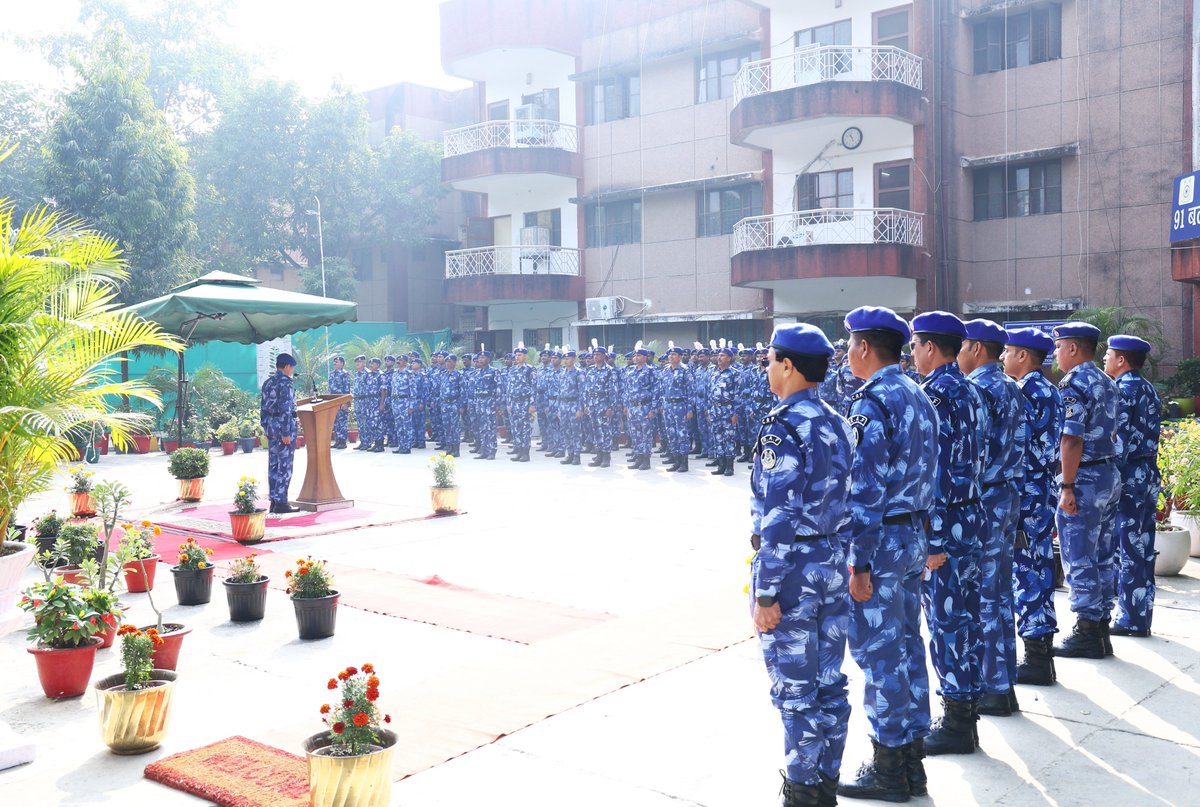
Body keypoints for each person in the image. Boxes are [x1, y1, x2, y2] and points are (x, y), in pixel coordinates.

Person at [749, 322, 854, 807]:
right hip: (833, 562)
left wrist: (766, 592)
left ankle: (803, 791)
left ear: (788, 366)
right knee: (829, 682)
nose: (767, 368)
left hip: (794, 571)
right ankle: (825, 783)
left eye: (771, 360)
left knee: (796, 690)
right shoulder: (835, 418)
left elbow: (779, 517)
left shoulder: (785, 424)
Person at [838, 306, 939, 803]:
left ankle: (889, 767)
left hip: (880, 544)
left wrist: (858, 563)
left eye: (851, 344)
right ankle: (912, 759)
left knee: (880, 656)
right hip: (912, 538)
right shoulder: (919, 395)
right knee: (906, 645)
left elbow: (865, 492)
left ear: (863, 348)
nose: (847, 352)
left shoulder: (871, 403)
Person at [911, 311, 989, 757]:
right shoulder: (970, 389)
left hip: (947, 524)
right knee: (967, 617)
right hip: (971, 516)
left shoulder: (935, 395)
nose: (914, 354)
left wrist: (934, 542)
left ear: (930, 347)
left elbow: (935, 472)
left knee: (946, 622)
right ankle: (966, 714)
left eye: (917, 345)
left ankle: (958, 722)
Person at [960, 319, 1028, 718]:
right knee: (1000, 593)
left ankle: (993, 686)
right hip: (1007, 495)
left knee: (983, 596)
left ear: (977, 348)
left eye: (964, 345)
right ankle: (1004, 682)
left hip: (985, 498)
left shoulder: (980, 389)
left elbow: (974, 454)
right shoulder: (1010, 386)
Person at [1053, 322, 1122, 659]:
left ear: (1074, 349)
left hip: (1084, 479)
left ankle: (1087, 630)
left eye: (1059, 347)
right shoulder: (1107, 381)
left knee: (1078, 554)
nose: (1055, 353)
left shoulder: (1074, 383)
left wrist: (1067, 485)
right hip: (1108, 474)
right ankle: (1101, 627)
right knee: (1104, 555)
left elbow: (1071, 438)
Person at [1003, 327, 1063, 686]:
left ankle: (1037, 657)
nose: (1004, 357)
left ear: (1023, 356)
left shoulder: (1025, 392)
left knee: (1028, 569)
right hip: (1040, 489)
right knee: (1036, 564)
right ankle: (1040, 653)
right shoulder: (1050, 390)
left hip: (1026, 493)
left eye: (1008, 351)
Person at [1105, 335, 1161, 639]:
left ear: (1121, 360)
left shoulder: (1123, 390)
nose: (1105, 360)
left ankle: (1129, 618)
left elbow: (1120, 442)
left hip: (1129, 475)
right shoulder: (1148, 389)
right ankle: (1141, 615)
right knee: (1142, 547)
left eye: (1109, 355)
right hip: (1148, 472)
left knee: (1127, 547)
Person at [260, 352, 298, 514]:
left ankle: (274, 501)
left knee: (273, 465)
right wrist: (286, 432)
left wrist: (267, 427)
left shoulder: (268, 383)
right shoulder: (285, 383)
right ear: (287, 366)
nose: (292, 371)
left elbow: (263, 408)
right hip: (283, 430)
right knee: (284, 466)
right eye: (292, 367)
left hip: (271, 428)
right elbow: (285, 409)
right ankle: (282, 503)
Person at [660, 345, 694, 472]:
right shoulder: (665, 370)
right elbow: (662, 390)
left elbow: (691, 391)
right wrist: (662, 405)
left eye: (674, 354)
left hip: (681, 406)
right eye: (669, 354)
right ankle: (676, 460)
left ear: (679, 357)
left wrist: (690, 409)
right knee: (671, 434)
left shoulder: (685, 370)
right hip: (668, 406)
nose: (671, 357)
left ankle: (684, 463)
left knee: (682, 435)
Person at [707, 346, 738, 476]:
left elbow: (738, 395)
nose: (719, 358)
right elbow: (710, 393)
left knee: (729, 438)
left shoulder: (735, 374)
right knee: (718, 437)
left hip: (728, 410)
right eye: (718, 355)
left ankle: (729, 466)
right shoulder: (714, 373)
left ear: (729, 358)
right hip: (715, 410)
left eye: (723, 356)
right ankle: (721, 465)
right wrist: (709, 410)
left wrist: (735, 413)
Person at [389, 354, 414, 454]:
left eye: (401, 360)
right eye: (398, 360)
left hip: (405, 402)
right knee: (398, 425)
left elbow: (413, 391)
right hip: (395, 402)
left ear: (406, 362)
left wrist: (411, 405)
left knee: (406, 425)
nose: (398, 361)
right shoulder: (395, 374)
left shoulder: (409, 373)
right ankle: (401, 446)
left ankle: (407, 447)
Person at [328, 354, 351, 449]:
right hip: (333, 401)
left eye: (337, 362)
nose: (335, 363)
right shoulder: (332, 374)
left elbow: (347, 389)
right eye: (334, 362)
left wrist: (346, 402)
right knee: (336, 422)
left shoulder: (345, 374)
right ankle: (337, 440)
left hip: (342, 401)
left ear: (342, 363)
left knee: (342, 422)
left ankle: (343, 441)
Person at [350, 355, 369, 450]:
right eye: (356, 362)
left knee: (366, 422)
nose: (357, 363)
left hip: (365, 401)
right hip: (357, 401)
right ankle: (362, 442)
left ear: (364, 363)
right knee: (360, 423)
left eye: (360, 361)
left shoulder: (368, 373)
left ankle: (368, 442)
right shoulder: (356, 374)